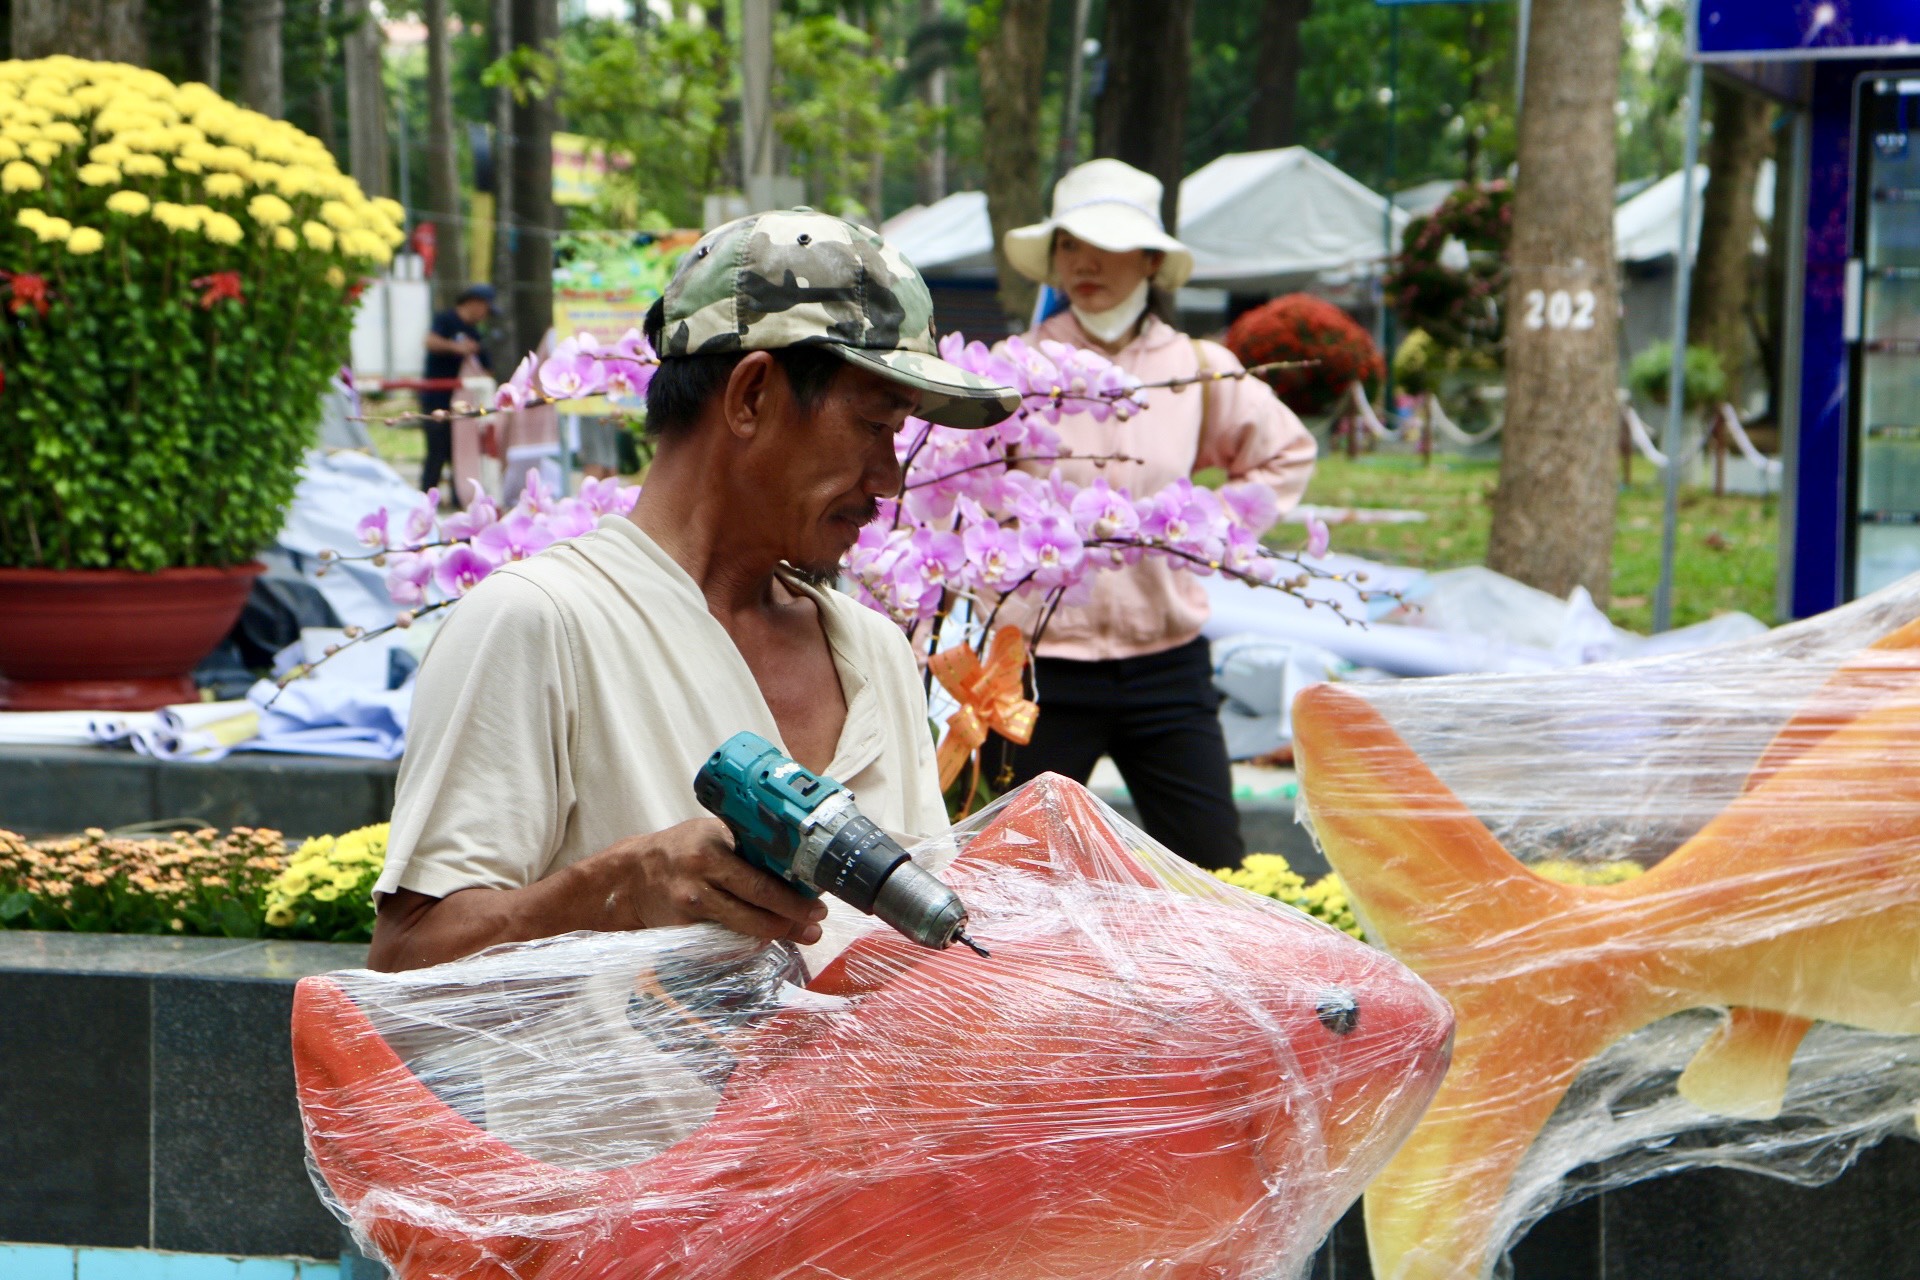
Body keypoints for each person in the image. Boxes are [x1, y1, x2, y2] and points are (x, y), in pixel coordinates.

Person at [368, 210, 1020, 973]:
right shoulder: (542, 622)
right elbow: (404, 965)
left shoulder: (871, 651)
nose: (888, 480)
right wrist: (613, 891)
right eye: (872, 424)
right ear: (750, 396)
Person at [989, 158, 1318, 871]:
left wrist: (1203, 530)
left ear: (1151, 260)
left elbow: (1286, 453)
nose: (1083, 262)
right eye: (1069, 244)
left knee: (1212, 867)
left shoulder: (1197, 369)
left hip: (1168, 667)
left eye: (1105, 244)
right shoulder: (1016, 370)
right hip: (1041, 669)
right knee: (1004, 878)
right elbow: (966, 491)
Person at [419, 283, 496, 495]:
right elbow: (430, 341)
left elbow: (487, 368)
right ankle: (427, 493)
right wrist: (456, 348)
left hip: (462, 401)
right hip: (437, 396)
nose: (485, 314)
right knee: (437, 448)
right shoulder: (446, 320)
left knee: (459, 449)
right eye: (485, 308)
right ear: (474, 303)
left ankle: (458, 494)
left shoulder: (475, 333)